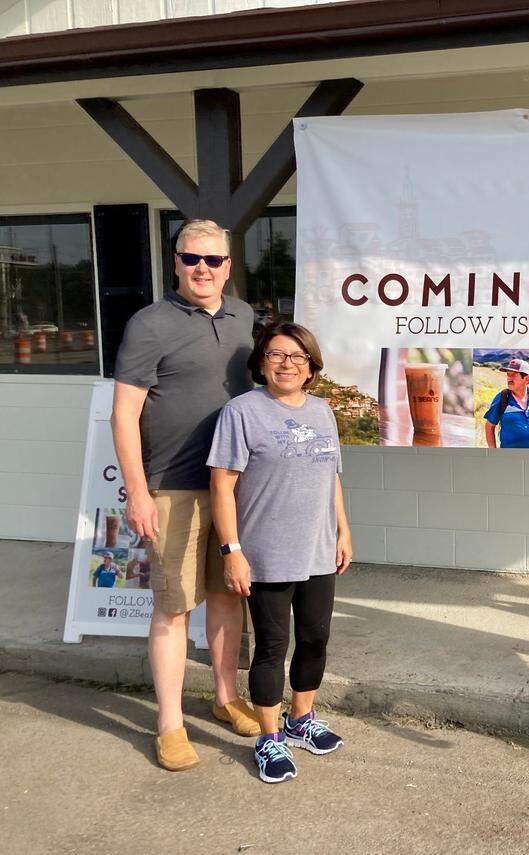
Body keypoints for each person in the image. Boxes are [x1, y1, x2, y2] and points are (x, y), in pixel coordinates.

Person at [111, 219, 259, 772]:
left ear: (228, 266)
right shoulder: (149, 325)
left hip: (236, 484)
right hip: (171, 485)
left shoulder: (243, 317)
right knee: (173, 607)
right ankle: (169, 724)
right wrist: (137, 491)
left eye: (214, 260)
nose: (203, 268)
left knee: (226, 595)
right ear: (175, 262)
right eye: (191, 258)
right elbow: (124, 413)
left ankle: (224, 698)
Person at [208, 322, 352, 785]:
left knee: (315, 638)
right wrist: (232, 550)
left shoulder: (324, 411)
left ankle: (301, 719)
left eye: (297, 357)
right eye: (276, 355)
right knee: (271, 646)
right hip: (266, 553)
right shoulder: (241, 412)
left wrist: (343, 531)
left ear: (311, 366)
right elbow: (222, 487)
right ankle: (269, 737)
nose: (287, 364)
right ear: (261, 361)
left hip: (317, 550)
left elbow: (332, 477)